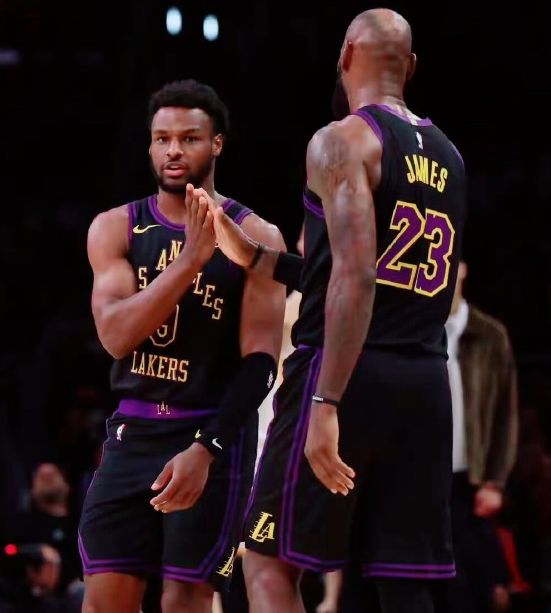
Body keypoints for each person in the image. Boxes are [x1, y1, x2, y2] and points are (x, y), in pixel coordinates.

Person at [208, 9, 467, 613]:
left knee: (268, 562)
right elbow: (382, 274)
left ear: (346, 53)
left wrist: (326, 402)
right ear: (411, 67)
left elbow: (357, 275)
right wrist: (257, 258)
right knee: (403, 580)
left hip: (344, 371)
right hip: (424, 383)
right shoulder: (451, 157)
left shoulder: (342, 140)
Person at [78, 79, 286, 613]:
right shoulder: (115, 227)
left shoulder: (257, 236)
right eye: (162, 139)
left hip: (210, 435)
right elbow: (115, 336)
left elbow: (261, 363)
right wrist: (190, 260)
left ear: (217, 144)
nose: (173, 150)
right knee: (104, 600)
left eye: (189, 138)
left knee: (183, 602)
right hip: (133, 432)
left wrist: (205, 448)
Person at [445, 261, 518, 613]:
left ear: (462, 269)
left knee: (475, 585)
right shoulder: (412, 330)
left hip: (469, 478)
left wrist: (495, 482)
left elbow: (505, 415)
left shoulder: (490, 335)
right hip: (419, 476)